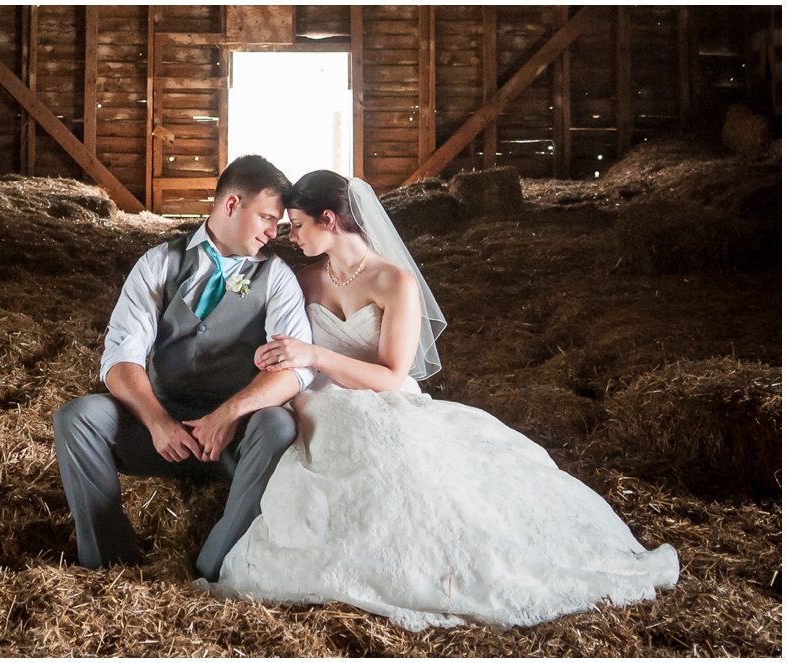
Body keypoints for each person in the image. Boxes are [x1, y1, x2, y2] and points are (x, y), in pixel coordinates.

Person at [206, 170, 680, 631]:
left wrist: (314, 353)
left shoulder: (395, 282)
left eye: (298, 225)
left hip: (378, 398)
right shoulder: (303, 279)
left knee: (394, 459)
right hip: (312, 402)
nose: (290, 236)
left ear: (329, 219)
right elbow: (258, 307)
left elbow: (393, 376)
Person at [53, 155, 315, 581]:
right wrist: (157, 421)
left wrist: (229, 414)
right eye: (267, 218)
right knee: (77, 418)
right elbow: (120, 358)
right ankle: (109, 564)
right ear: (232, 205)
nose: (273, 232)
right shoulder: (159, 262)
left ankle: (215, 566)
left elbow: (296, 371)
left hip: (233, 439)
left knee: (278, 427)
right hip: (160, 425)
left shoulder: (277, 277)